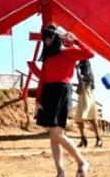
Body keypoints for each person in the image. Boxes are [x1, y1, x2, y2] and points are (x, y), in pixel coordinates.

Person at [30, 24, 94, 177]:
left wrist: (76, 42)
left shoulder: (69, 52)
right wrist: (38, 101)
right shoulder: (48, 58)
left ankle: (82, 162)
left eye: (50, 37)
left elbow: (90, 54)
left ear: (56, 37)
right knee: (53, 134)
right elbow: (42, 80)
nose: (47, 41)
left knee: (57, 134)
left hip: (62, 92)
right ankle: (60, 172)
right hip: (48, 94)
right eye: (45, 38)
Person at [75, 59, 102, 148]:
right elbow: (79, 80)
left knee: (91, 116)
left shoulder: (86, 66)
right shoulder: (82, 66)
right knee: (79, 119)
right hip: (82, 93)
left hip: (87, 92)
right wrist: (77, 69)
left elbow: (83, 79)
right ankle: (83, 139)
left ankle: (99, 139)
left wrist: (77, 69)